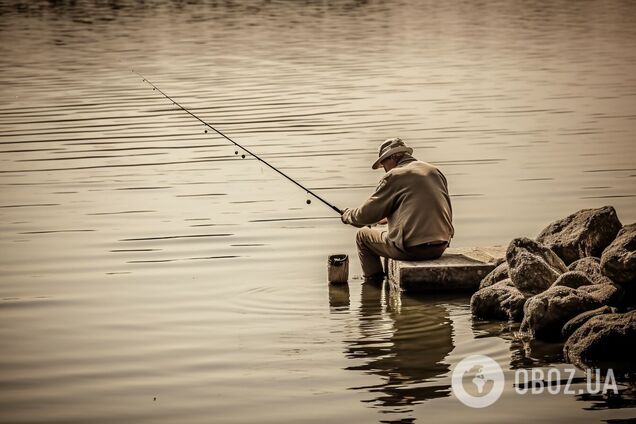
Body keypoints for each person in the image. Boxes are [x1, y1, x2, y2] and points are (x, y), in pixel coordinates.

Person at [340, 137, 454, 283]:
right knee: (381, 228)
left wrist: (347, 215)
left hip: (414, 250)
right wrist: (388, 218)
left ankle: (373, 285)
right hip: (440, 246)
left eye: (384, 163)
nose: (384, 168)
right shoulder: (433, 171)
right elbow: (424, 207)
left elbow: (364, 217)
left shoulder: (394, 176)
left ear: (394, 156)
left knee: (362, 236)